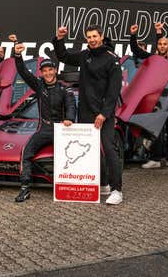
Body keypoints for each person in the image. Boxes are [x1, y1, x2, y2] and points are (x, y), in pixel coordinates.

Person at [53, 24, 123, 205]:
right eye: (89, 37)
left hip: (103, 115)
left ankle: (117, 190)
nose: (92, 40)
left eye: (94, 36)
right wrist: (59, 39)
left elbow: (113, 91)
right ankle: (104, 184)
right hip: (85, 112)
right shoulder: (85, 55)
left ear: (101, 36)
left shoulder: (112, 59)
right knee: (92, 152)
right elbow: (64, 56)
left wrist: (104, 114)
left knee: (109, 149)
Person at [12, 39, 76, 202]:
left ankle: (70, 186)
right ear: (41, 73)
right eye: (44, 71)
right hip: (44, 129)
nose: (47, 73)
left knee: (70, 156)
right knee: (26, 152)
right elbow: (24, 72)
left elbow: (71, 105)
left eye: (50, 70)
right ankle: (25, 188)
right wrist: (18, 55)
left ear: (55, 71)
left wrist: (69, 118)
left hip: (62, 130)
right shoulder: (39, 85)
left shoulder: (64, 87)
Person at [130, 23, 168, 169]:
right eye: (160, 43)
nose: (163, 46)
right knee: (156, 130)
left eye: (165, 44)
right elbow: (137, 51)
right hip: (156, 101)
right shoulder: (152, 58)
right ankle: (155, 158)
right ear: (157, 45)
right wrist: (133, 35)